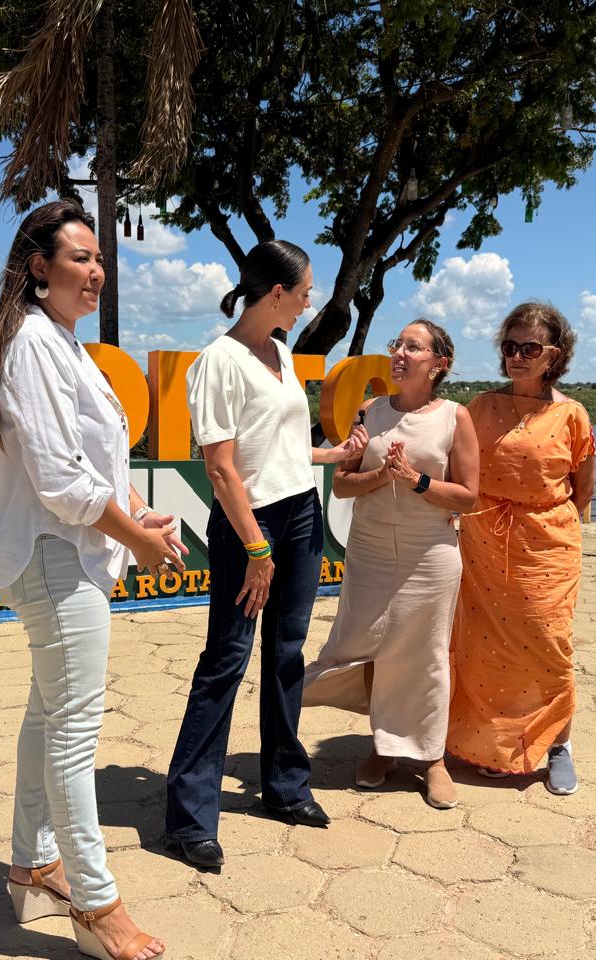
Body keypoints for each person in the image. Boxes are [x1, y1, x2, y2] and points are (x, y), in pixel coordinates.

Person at [0, 200, 184, 960]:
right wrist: (137, 540)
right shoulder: (35, 342)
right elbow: (62, 483)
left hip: (64, 552)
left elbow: (95, 463)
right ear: (40, 268)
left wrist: (141, 513)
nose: (96, 271)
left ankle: (34, 865)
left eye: (99, 259)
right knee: (73, 733)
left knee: (48, 715)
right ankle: (97, 907)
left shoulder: (60, 342)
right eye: (80, 258)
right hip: (54, 557)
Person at [165, 240, 369, 868]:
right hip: (248, 524)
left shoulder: (280, 351)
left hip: (301, 510)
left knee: (286, 654)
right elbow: (221, 468)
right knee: (227, 659)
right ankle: (189, 818)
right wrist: (257, 547)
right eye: (304, 292)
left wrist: (332, 456)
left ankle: (285, 787)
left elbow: (279, 446)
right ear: (277, 293)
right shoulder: (218, 361)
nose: (310, 303)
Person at [303, 319, 479, 809]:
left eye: (413, 347)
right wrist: (383, 475)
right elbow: (342, 485)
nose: (400, 353)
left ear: (439, 363)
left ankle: (432, 759)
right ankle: (384, 746)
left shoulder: (456, 417)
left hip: (430, 553)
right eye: (397, 345)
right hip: (370, 549)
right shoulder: (370, 410)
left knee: (425, 655)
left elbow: (468, 497)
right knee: (370, 648)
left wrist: (416, 481)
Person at [448, 301, 596, 796]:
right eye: (510, 346)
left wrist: (540, 521)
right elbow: (456, 468)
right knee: (485, 647)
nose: (517, 356)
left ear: (555, 353)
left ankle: (558, 745)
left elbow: (583, 490)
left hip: (547, 546)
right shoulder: (480, 407)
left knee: (549, 643)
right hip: (483, 543)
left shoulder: (571, 414)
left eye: (530, 348)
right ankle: (497, 746)